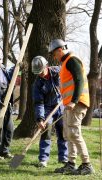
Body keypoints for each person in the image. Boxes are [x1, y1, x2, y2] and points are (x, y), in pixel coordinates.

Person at [49, 39, 94, 175]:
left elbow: (79, 80)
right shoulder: (65, 63)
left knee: (74, 133)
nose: (54, 57)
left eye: (53, 54)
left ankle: (87, 164)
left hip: (77, 104)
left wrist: (74, 101)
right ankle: (71, 163)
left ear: (59, 50)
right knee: (68, 134)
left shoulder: (72, 60)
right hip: (69, 105)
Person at [31, 56, 68, 168]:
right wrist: (40, 119)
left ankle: (64, 158)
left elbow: (70, 77)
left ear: (46, 66)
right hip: (47, 108)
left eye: (41, 71)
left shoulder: (58, 71)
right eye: (38, 73)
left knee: (62, 132)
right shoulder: (37, 84)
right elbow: (38, 103)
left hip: (60, 105)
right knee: (46, 131)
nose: (40, 74)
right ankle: (43, 159)